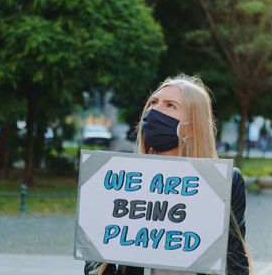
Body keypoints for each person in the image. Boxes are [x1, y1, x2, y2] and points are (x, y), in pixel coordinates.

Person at [85, 74, 251, 275]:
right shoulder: (121, 178)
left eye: (170, 105)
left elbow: (236, 263)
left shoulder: (224, 182)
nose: (154, 110)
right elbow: (96, 263)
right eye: (153, 102)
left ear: (191, 124)